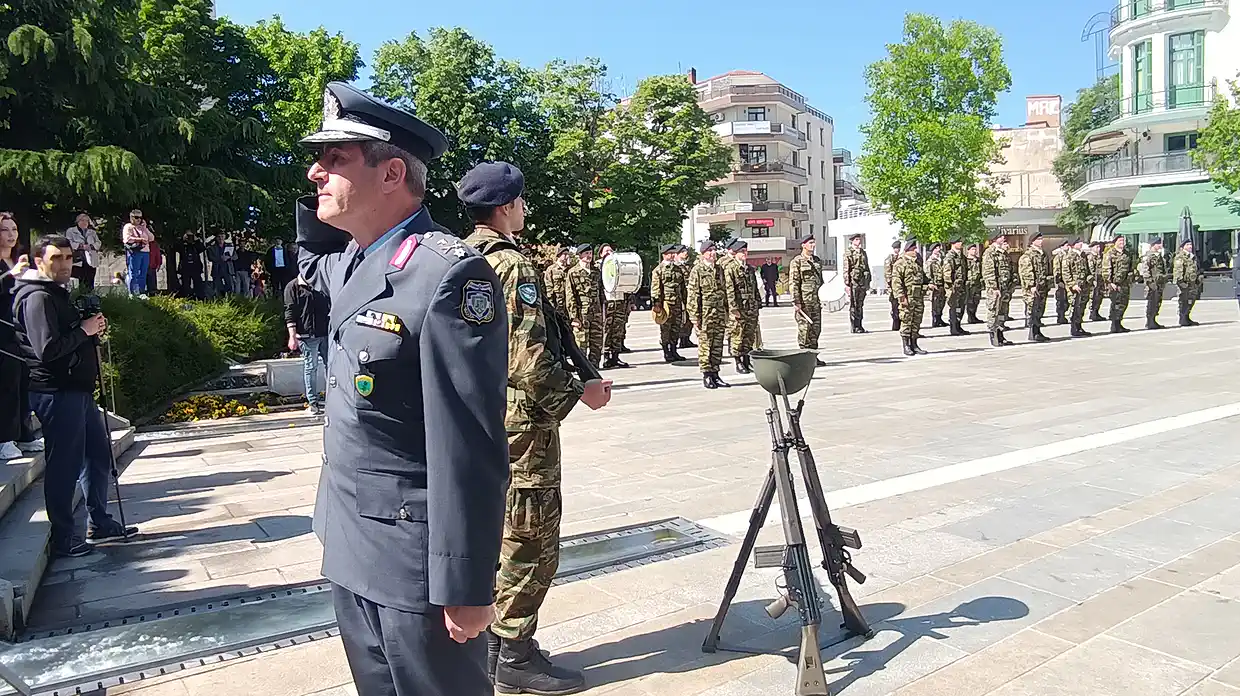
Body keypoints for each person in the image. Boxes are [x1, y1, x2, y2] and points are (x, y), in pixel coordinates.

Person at [295, 81, 509, 696]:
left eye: (335, 159)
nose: (315, 172)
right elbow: (313, 257)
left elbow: (467, 441)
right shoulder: (356, 263)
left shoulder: (444, 273)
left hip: (414, 564)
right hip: (350, 543)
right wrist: (329, 198)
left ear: (391, 174)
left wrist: (466, 583)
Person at [458, 161, 612, 694]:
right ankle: (516, 657)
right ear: (504, 208)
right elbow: (528, 356)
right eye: (520, 202)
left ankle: (499, 647)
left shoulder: (462, 258)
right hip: (523, 424)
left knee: (503, 533)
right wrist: (580, 393)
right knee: (531, 539)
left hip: (483, 421)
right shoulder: (513, 268)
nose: (525, 210)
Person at [13, 235, 138, 557]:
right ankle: (64, 537)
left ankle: (99, 521)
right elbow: (47, 349)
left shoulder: (56, 293)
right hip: (55, 392)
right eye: (56, 258)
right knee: (64, 466)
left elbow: (71, 335)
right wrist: (83, 331)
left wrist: (91, 329)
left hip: (76, 391)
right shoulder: (37, 297)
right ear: (39, 260)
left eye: (68, 257)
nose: (64, 264)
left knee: (98, 455)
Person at [1, 213, 44, 461]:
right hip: (2, 331)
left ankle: (24, 434)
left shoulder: (18, 259)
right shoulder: (7, 266)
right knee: (7, 384)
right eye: (5, 230)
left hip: (21, 328)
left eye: (14, 229)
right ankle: (5, 438)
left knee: (24, 382)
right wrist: (11, 275)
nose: (11, 234)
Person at [283, 273, 330, 414]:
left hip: (326, 333)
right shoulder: (292, 287)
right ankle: (313, 402)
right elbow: (289, 311)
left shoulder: (322, 283)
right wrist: (292, 336)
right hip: (306, 335)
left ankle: (332, 399)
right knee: (311, 367)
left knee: (332, 366)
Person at [687, 240, 729, 389]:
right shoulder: (697, 270)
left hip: (718, 313)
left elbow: (724, 291)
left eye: (714, 250)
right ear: (703, 253)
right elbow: (693, 294)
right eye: (709, 251)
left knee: (717, 345)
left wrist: (727, 310)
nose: (713, 253)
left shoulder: (719, 269)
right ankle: (707, 375)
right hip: (705, 315)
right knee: (706, 345)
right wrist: (694, 316)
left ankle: (716, 373)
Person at [788, 235, 825, 365]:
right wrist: (796, 301)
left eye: (814, 243)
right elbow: (794, 282)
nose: (813, 245)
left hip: (816, 301)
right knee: (804, 330)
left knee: (816, 329)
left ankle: (813, 356)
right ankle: (804, 356)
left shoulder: (817, 261)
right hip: (804, 301)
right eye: (810, 243)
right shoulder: (797, 261)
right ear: (803, 245)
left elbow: (821, 281)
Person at [565, 244, 603, 367]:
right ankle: (583, 367)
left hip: (596, 312)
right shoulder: (573, 272)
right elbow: (570, 296)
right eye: (586, 253)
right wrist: (574, 317)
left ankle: (594, 366)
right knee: (581, 341)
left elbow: (601, 292)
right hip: (582, 313)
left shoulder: (596, 272)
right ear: (580, 255)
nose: (589, 256)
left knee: (597, 340)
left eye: (590, 253)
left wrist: (604, 309)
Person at [891, 240, 927, 356]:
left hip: (918, 297)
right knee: (906, 320)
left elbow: (922, 278)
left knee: (916, 321)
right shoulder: (900, 263)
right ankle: (906, 345)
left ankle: (914, 344)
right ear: (908, 250)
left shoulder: (917, 263)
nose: (916, 251)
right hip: (907, 297)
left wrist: (929, 285)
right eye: (914, 249)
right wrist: (901, 297)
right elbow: (896, 282)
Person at [982, 231, 1015, 346]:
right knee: (993, 311)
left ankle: (1001, 334)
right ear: (995, 239)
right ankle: (993, 335)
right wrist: (994, 287)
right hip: (995, 289)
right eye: (1000, 237)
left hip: (1004, 287)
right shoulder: (990, 253)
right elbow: (989, 272)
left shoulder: (1003, 253)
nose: (1003, 238)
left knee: (1002, 312)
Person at [1017, 232, 1050, 343]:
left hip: (1042, 286)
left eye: (1041, 238)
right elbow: (1026, 272)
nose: (1041, 241)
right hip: (1033, 287)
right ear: (1033, 241)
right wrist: (1031, 285)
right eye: (1039, 239)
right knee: (1033, 309)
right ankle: (1033, 332)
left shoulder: (1043, 254)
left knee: (1040, 309)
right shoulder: (1028, 255)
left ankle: (1038, 330)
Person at [1101, 234, 1134, 333]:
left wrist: (1131, 277)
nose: (1122, 243)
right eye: (1120, 241)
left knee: (1123, 304)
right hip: (1114, 284)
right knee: (1116, 304)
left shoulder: (1127, 254)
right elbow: (1106, 269)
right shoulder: (1110, 254)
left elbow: (1130, 267)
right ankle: (1114, 325)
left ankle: (1119, 323)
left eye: (1123, 241)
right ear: (1115, 242)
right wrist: (1110, 282)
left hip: (1124, 283)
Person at [842, 233, 871, 334]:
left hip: (862, 281)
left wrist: (868, 282)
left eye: (860, 239)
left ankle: (860, 325)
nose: (859, 242)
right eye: (857, 240)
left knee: (860, 304)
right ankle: (854, 326)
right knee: (854, 304)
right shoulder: (848, 253)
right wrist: (847, 284)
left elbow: (866, 267)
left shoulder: (863, 252)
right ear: (853, 241)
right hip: (853, 282)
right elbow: (846, 269)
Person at [65, 213, 101, 291]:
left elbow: (98, 243)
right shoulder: (71, 231)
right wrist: (80, 246)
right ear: (78, 221)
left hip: (91, 257)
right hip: (78, 258)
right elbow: (68, 242)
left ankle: (90, 297)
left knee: (90, 279)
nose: (85, 222)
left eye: (86, 221)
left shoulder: (92, 232)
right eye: (82, 220)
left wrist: (90, 246)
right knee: (81, 278)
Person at [121, 210, 153, 296]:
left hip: (145, 252)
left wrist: (145, 228)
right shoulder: (128, 227)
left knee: (143, 273)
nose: (138, 219)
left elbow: (151, 238)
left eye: (140, 218)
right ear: (131, 218)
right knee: (134, 273)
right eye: (136, 217)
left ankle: (141, 292)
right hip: (135, 252)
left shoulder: (142, 228)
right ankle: (132, 293)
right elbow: (127, 239)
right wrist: (140, 240)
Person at [941, 238, 969, 336]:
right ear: (953, 243)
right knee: (953, 307)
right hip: (953, 287)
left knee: (960, 307)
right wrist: (950, 287)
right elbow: (947, 273)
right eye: (959, 242)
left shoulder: (961, 256)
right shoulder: (950, 256)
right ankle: (953, 328)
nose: (961, 244)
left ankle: (958, 325)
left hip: (961, 286)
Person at [1173, 237, 1202, 326]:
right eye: (1187, 245)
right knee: (1183, 301)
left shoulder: (1192, 257)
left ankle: (1187, 316)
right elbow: (1178, 271)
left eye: (1190, 244)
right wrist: (1181, 283)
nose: (1190, 246)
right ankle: (1182, 318)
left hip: (1192, 284)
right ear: (1183, 247)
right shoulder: (1180, 257)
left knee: (1191, 301)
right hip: (1185, 284)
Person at [1141, 236, 1168, 330]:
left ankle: (1153, 319)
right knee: (1151, 302)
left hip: (1159, 284)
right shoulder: (1148, 256)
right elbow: (1145, 271)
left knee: (1157, 302)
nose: (1160, 245)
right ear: (1154, 245)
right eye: (1159, 243)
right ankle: (1149, 321)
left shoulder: (1159, 256)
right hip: (1152, 284)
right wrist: (1150, 283)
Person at [883, 240, 901, 332]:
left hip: (900, 285)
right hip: (893, 286)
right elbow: (887, 273)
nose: (897, 250)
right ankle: (895, 323)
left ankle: (900, 322)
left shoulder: (901, 258)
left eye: (898, 248)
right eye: (896, 248)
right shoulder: (889, 258)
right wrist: (889, 284)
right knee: (894, 305)